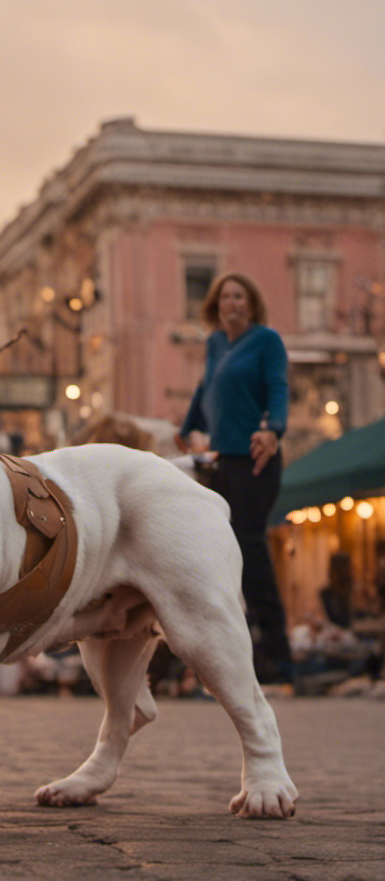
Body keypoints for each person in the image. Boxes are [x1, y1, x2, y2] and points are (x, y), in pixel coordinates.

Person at [176, 271, 293, 686]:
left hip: (256, 458)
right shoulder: (214, 344)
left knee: (249, 546)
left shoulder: (267, 341)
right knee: (221, 553)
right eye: (225, 296)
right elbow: (205, 390)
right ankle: (238, 654)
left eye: (240, 296)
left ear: (252, 302)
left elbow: (278, 387)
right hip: (223, 461)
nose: (232, 303)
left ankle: (278, 655)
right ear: (215, 304)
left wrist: (273, 428)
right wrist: (187, 425)